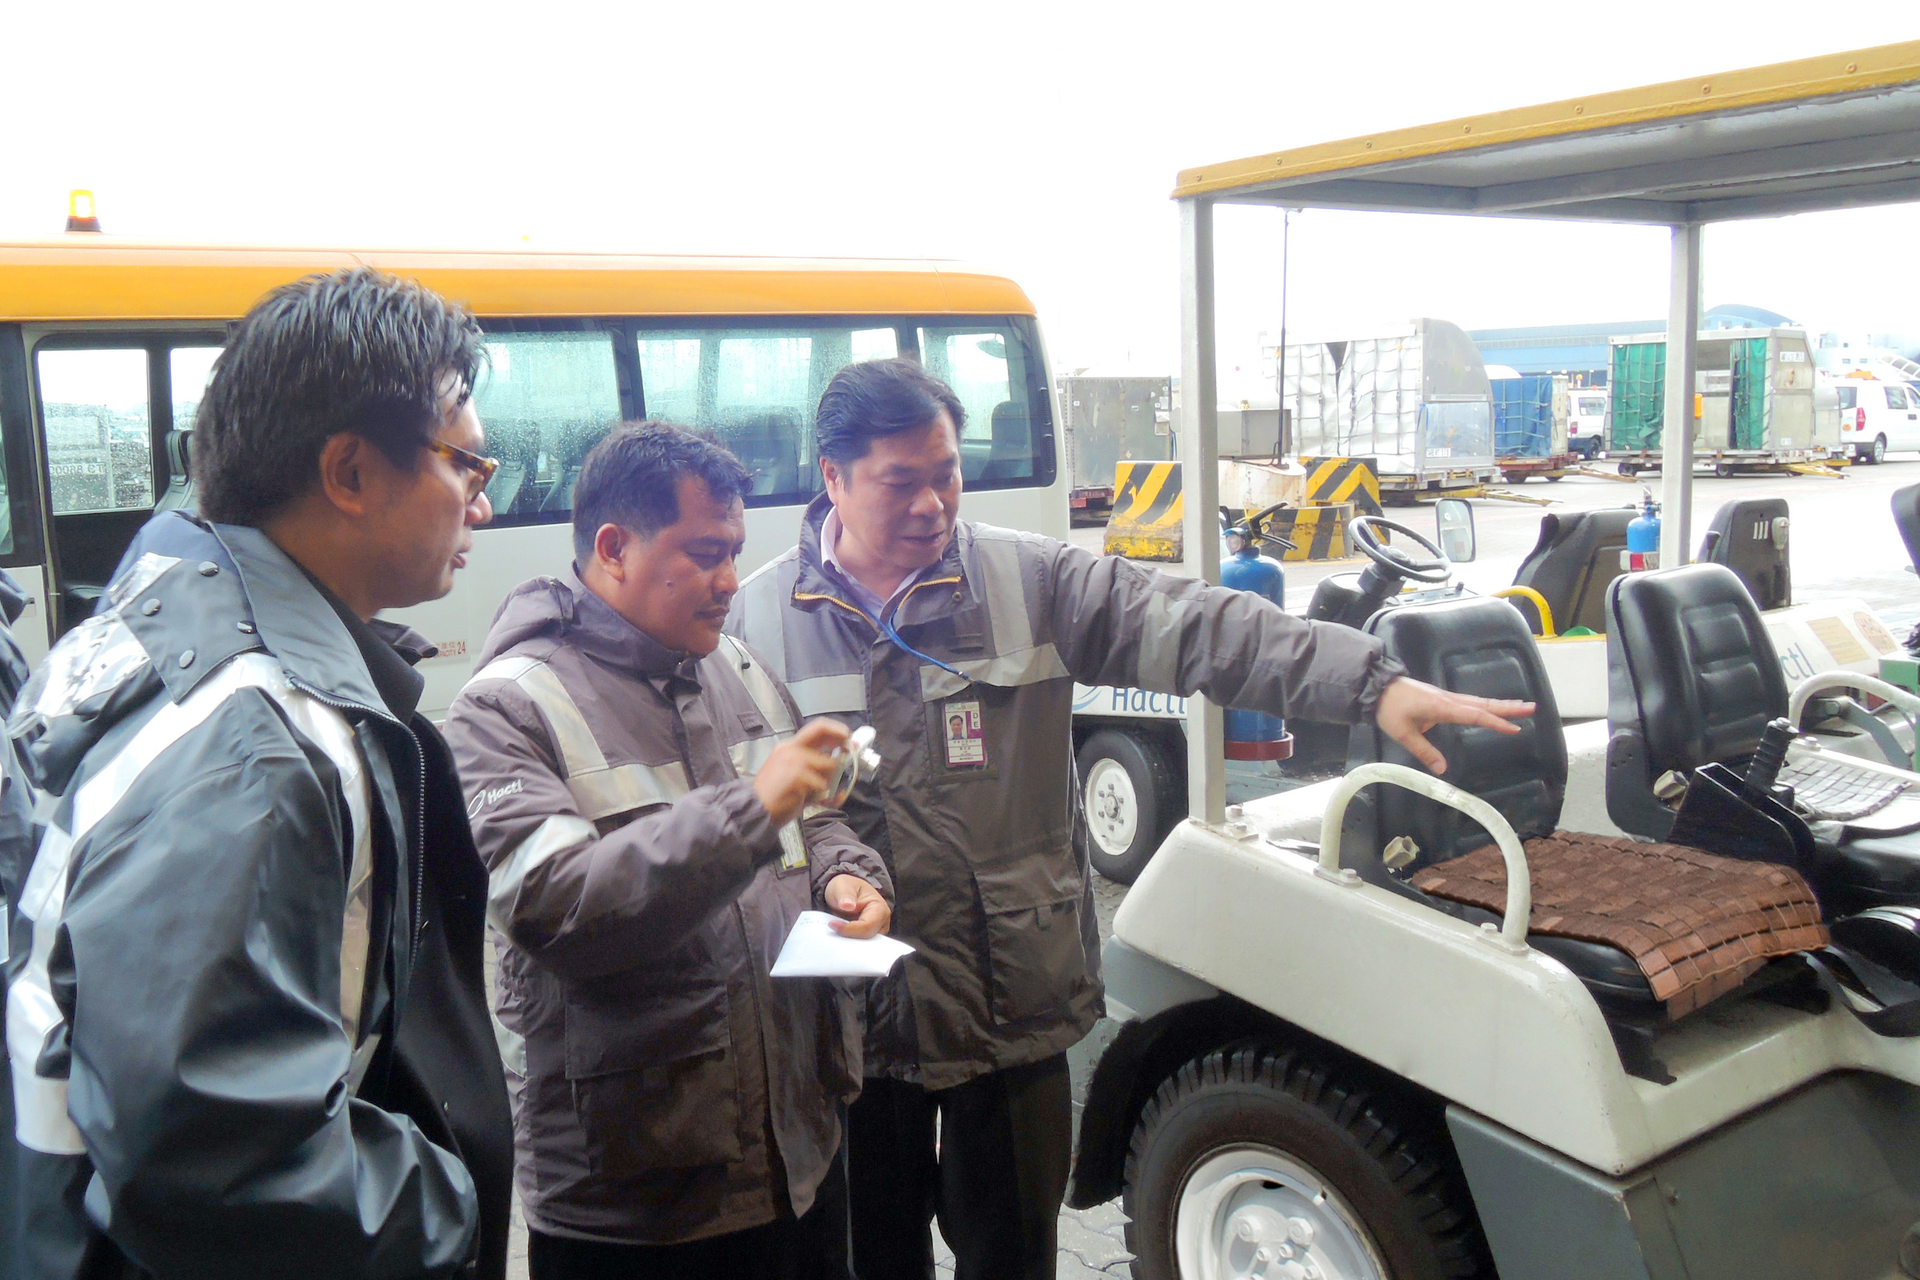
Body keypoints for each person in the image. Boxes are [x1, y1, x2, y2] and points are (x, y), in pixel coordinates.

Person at [726, 358, 1534, 1280]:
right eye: (899, 482)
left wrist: (1366, 682)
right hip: (850, 1025)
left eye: (944, 472)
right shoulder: (756, 622)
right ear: (832, 477)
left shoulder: (1026, 579)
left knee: (1016, 1261)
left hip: (1010, 1004)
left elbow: (1191, 624)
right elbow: (745, 818)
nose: (932, 503)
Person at [4, 267, 513, 1279]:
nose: (483, 504)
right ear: (349, 472)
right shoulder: (258, 743)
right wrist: (451, 1211)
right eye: (468, 463)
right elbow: (217, 1152)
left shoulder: (171, 618)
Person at [443, 421, 894, 1280]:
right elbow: (556, 905)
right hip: (637, 1207)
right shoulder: (508, 709)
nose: (730, 581)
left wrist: (845, 875)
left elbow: (814, 819)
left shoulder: (740, 669)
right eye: (703, 553)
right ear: (613, 547)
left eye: (735, 551)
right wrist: (753, 810)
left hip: (796, 1161)